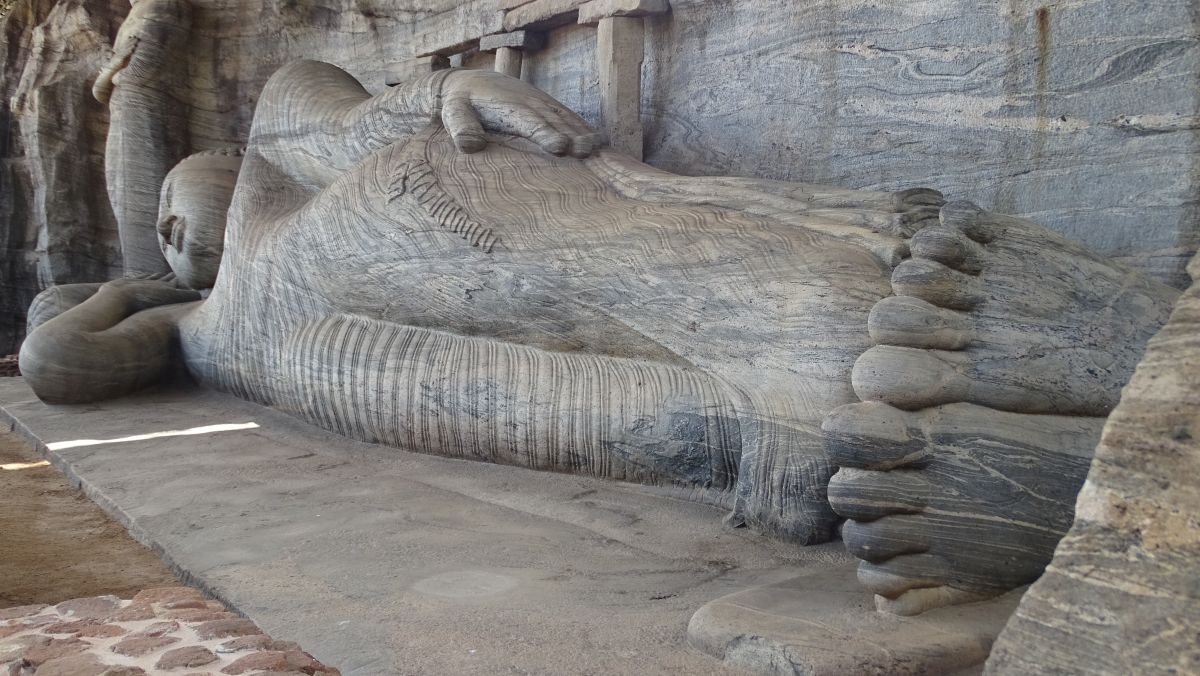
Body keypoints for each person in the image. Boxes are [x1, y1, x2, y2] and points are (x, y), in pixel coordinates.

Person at [22, 62, 1180, 614]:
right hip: (325, 342)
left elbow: (347, 101)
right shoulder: (202, 328)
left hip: (423, 204)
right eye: (160, 231)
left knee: (746, 274)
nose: (172, 227)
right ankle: (787, 437)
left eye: (179, 201)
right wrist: (133, 293)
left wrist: (446, 93)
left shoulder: (284, 134)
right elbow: (60, 364)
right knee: (561, 394)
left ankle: (959, 344)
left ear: (224, 172)